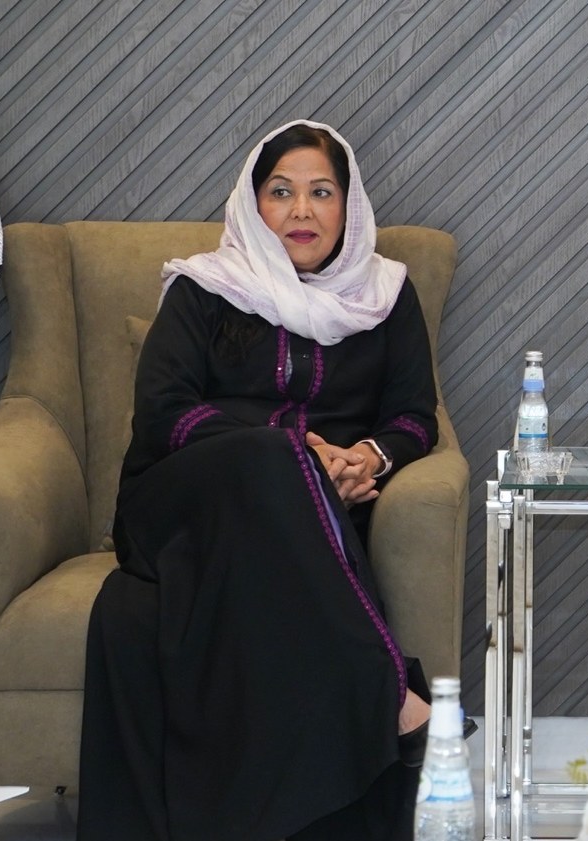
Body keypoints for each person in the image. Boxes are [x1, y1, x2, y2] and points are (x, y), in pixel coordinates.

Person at [79, 119, 454, 841]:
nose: (301, 210)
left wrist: (363, 459)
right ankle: (392, 691)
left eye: (321, 192)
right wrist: (300, 458)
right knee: (269, 455)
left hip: (316, 513)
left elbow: (414, 416)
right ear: (254, 205)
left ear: (348, 206)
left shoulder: (385, 295)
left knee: (274, 476)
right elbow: (165, 415)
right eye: (280, 192)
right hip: (180, 503)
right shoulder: (205, 288)